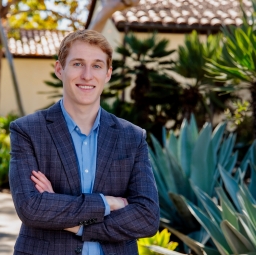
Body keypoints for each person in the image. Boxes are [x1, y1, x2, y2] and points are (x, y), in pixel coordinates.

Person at [9, 29, 159, 255]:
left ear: (108, 73)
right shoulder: (27, 130)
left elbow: (147, 217)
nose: (87, 75)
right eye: (78, 64)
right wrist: (109, 203)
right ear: (60, 69)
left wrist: (77, 225)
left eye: (97, 65)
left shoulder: (132, 137)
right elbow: (31, 208)